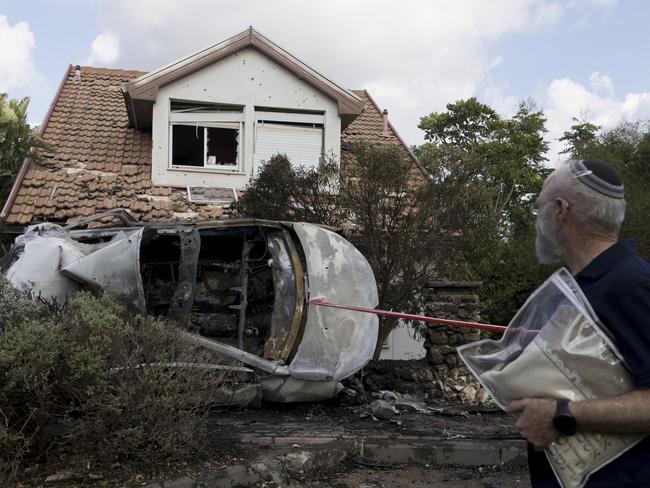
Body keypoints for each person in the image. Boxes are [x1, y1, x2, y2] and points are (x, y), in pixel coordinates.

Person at [509, 159, 650, 487]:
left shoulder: (632, 286)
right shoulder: (582, 287)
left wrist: (561, 415)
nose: (538, 220)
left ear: (560, 211)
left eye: (539, 207)